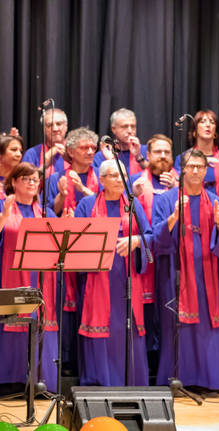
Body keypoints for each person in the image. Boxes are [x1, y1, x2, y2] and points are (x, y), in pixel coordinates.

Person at [153, 149, 219, 391]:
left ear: (206, 171)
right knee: (178, 328)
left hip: (209, 276)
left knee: (209, 327)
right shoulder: (166, 200)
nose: (196, 170)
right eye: (191, 166)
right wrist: (173, 218)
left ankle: (209, 381)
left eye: (201, 166)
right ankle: (176, 379)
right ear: (182, 169)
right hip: (176, 275)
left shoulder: (215, 200)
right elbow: (156, 240)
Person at [75, 160, 152, 386]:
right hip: (97, 278)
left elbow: (149, 235)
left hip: (126, 278)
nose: (120, 179)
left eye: (122, 175)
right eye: (114, 175)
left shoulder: (133, 204)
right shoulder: (87, 205)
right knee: (102, 330)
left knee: (126, 328)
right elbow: (77, 240)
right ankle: (100, 384)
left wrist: (136, 240)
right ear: (102, 180)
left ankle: (132, 384)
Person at [46, 127, 99, 376]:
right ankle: (65, 360)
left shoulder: (102, 175)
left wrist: (85, 191)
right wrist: (63, 195)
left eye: (93, 148)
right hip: (63, 247)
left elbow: (109, 205)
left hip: (93, 248)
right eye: (84, 148)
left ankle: (85, 360)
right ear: (70, 151)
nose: (90, 152)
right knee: (65, 304)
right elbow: (48, 212)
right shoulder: (56, 176)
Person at [0, 163, 58, 392]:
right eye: (26, 179)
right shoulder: (4, 206)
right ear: (14, 181)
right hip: (11, 276)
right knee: (13, 326)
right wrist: (4, 215)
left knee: (41, 324)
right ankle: (10, 382)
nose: (33, 183)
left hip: (41, 278)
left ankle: (40, 381)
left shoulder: (44, 211)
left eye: (36, 179)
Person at [130, 134, 179, 368]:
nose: (162, 156)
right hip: (145, 256)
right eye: (157, 152)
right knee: (147, 311)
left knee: (170, 311)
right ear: (147, 156)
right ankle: (147, 362)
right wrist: (134, 195)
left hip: (173, 256)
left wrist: (177, 192)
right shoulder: (135, 182)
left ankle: (168, 364)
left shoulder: (183, 183)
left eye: (166, 152)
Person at [174, 110, 219, 195]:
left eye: (212, 122)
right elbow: (178, 187)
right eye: (202, 122)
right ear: (194, 132)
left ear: (215, 133)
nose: (208, 125)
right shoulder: (183, 157)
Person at [93, 108, 148, 175]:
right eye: (124, 126)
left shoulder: (146, 150)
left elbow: (156, 175)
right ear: (113, 129)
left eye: (133, 126)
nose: (130, 131)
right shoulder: (101, 155)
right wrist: (111, 161)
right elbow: (100, 182)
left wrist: (138, 157)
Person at [23, 109, 69, 175]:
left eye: (59, 124)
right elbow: (25, 182)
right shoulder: (32, 153)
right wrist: (45, 164)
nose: (55, 129)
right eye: (49, 125)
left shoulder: (76, 151)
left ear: (66, 127)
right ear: (44, 129)